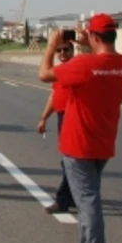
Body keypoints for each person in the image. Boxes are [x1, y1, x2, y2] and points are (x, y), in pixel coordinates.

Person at [39, 14, 122, 243]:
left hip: (78, 144)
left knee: (88, 205)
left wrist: (51, 45)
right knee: (85, 201)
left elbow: (45, 74)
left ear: (92, 37)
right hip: (103, 143)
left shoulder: (84, 64)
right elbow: (102, 63)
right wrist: (88, 43)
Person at [38, 37, 78, 214]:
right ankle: (72, 197)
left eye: (66, 50)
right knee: (68, 161)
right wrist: (44, 118)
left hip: (73, 118)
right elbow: (54, 97)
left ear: (73, 51)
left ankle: (63, 200)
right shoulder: (58, 72)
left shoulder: (76, 70)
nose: (62, 53)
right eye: (59, 50)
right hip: (62, 116)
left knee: (69, 161)